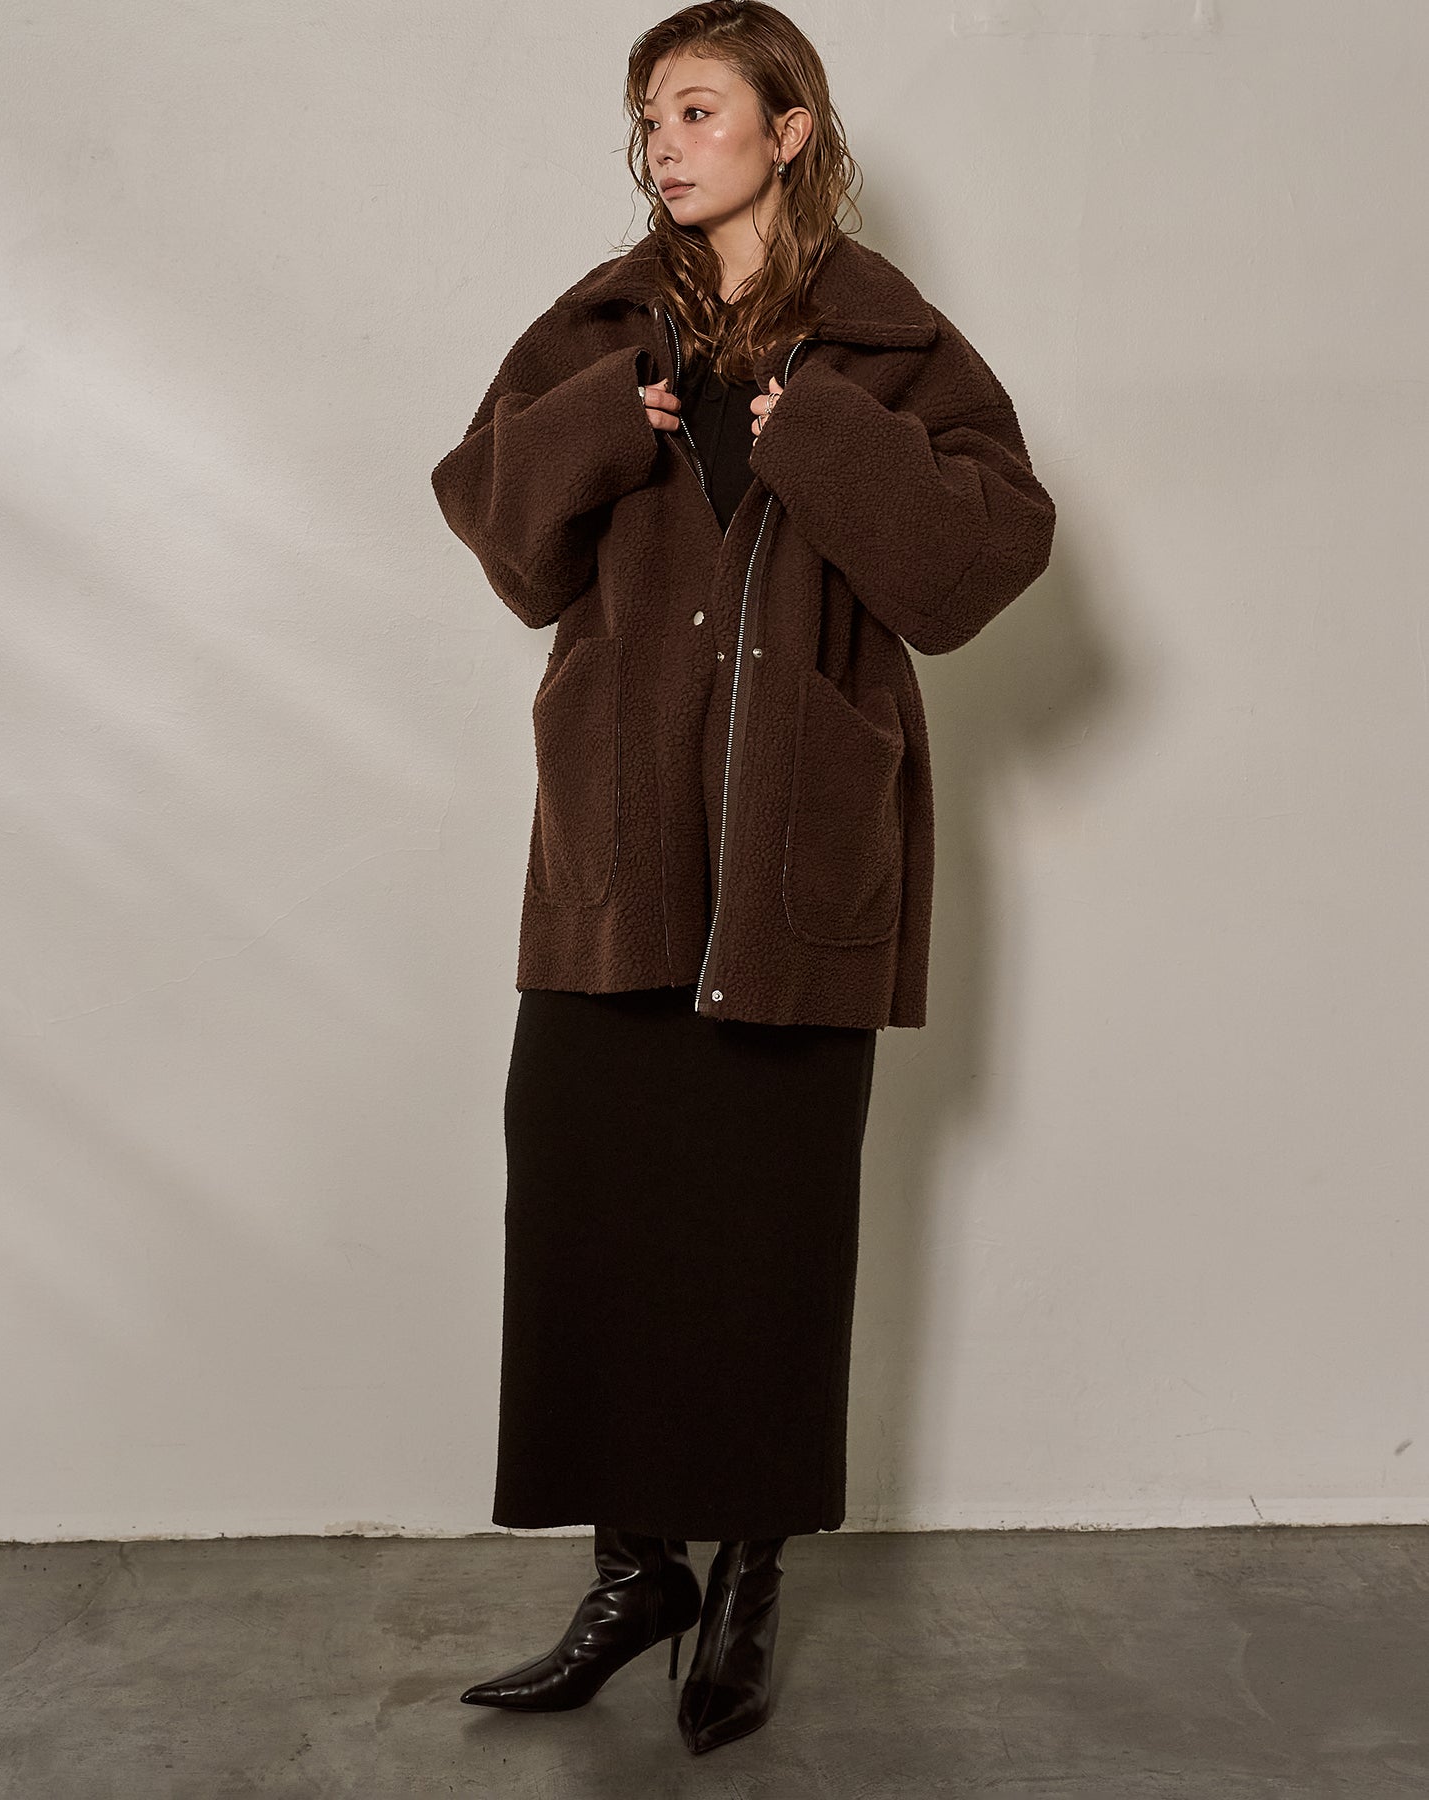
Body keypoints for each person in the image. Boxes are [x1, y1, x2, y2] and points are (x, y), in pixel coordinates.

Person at [430, 0, 1056, 1757]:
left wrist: (821, 433)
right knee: (586, 1206)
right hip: (619, 847)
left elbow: (979, 561)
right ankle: (635, 1575)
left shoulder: (889, 344)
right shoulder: (597, 325)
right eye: (648, 117)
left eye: (698, 109)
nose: (663, 142)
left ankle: (749, 1583)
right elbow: (499, 532)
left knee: (769, 1235)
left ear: (790, 130)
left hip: (796, 856)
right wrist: (597, 427)